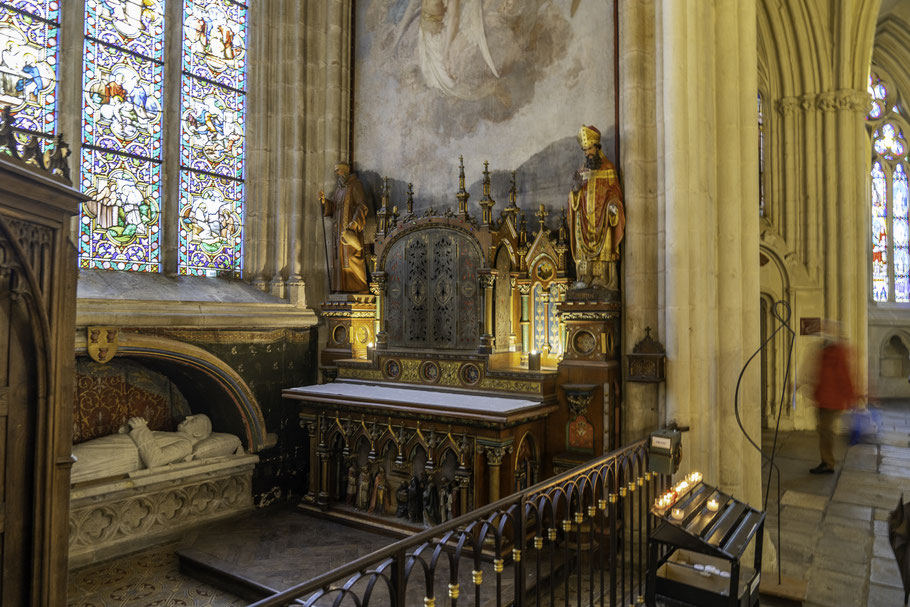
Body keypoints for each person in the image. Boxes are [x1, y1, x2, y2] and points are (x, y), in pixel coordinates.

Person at [70, 414, 241, 483]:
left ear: (197, 433)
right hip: (119, 445)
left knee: (75, 464)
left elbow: (155, 460)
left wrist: (140, 430)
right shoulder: (175, 436)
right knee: (73, 455)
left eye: (194, 419)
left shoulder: (185, 445)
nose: (188, 417)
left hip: (122, 456)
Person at [567, 125, 625, 290]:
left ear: (597, 147)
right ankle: (585, 278)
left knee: (604, 249)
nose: (587, 153)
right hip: (584, 221)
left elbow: (615, 192)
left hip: (603, 220)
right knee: (583, 252)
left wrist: (614, 207)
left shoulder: (608, 168)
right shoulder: (582, 171)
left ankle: (604, 280)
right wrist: (576, 190)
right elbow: (573, 199)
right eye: (584, 150)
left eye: (589, 149)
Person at [809, 321, 858, 474]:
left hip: (831, 400)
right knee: (823, 431)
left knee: (826, 432)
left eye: (828, 330)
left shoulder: (837, 352)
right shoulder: (826, 350)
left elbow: (844, 376)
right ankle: (826, 461)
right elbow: (821, 374)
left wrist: (851, 398)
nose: (824, 333)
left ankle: (828, 463)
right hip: (824, 398)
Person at [320, 162, 369, 293]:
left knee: (352, 257)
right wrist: (325, 203)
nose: (336, 174)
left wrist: (354, 223)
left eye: (338, 171)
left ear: (346, 171)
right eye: (336, 171)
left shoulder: (355, 185)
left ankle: (359, 287)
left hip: (350, 228)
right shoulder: (338, 190)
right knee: (339, 260)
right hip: (338, 229)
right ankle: (341, 289)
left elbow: (362, 205)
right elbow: (335, 208)